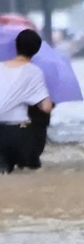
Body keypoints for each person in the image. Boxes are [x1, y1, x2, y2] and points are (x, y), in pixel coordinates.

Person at [0, 29, 53, 174]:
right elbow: (45, 107)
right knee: (29, 175)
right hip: (17, 134)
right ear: (36, 50)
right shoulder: (33, 71)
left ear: (16, 45)